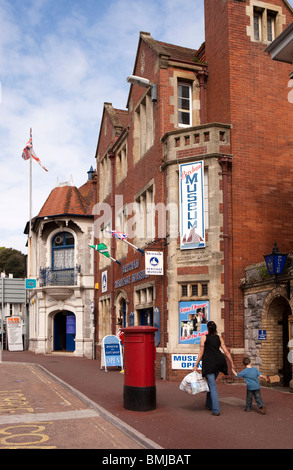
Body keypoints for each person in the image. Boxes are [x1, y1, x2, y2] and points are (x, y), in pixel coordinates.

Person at [193, 321, 234, 416]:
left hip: (209, 363)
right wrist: (232, 363)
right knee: (211, 384)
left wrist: (196, 365)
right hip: (219, 362)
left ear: (207, 328)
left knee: (212, 386)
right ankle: (209, 404)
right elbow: (226, 352)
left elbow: (201, 352)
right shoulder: (219, 338)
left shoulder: (204, 337)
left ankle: (216, 410)